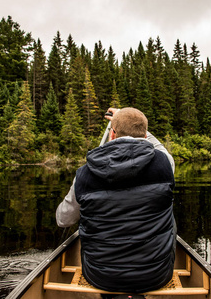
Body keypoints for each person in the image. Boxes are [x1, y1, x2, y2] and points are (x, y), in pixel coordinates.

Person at [56, 107, 176, 294]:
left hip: (100, 277)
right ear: (145, 136)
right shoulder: (165, 163)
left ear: (112, 134)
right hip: (156, 275)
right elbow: (157, 146)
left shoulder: (84, 174)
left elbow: (63, 220)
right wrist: (128, 119)